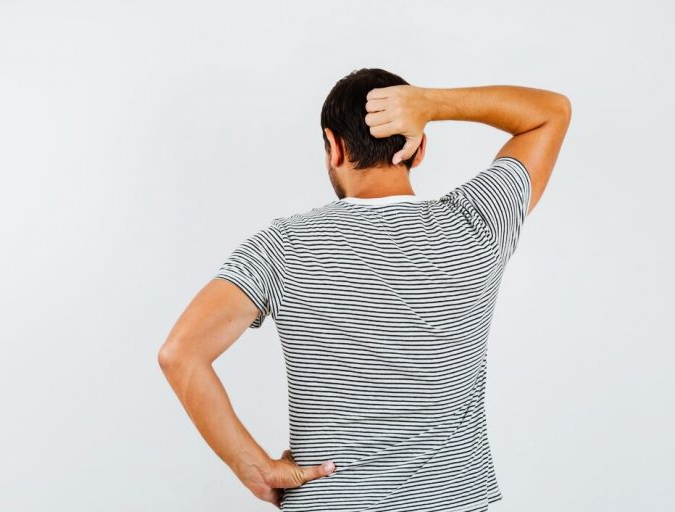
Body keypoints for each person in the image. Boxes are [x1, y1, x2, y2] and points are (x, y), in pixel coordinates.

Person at [158, 68, 571, 511]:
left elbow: (180, 354)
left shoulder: (284, 246)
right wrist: (432, 104)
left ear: (334, 146)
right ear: (419, 148)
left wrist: (254, 468)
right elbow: (551, 113)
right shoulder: (475, 224)